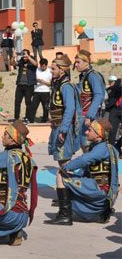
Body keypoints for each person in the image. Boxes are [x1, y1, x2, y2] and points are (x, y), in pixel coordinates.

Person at [44, 118, 118, 225]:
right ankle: (103, 211)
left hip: (99, 190)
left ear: (98, 135)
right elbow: (85, 170)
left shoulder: (101, 149)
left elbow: (84, 159)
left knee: (61, 176)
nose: (86, 132)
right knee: (71, 178)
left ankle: (64, 215)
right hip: (105, 193)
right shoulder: (109, 148)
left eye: (90, 130)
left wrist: (66, 167)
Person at [46, 54, 82, 207]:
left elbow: (70, 109)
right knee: (62, 164)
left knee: (65, 164)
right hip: (57, 127)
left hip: (62, 129)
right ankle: (65, 196)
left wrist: (63, 130)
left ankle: (68, 198)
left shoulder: (66, 86)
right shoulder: (58, 85)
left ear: (61, 70)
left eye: (53, 69)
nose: (51, 71)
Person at [75, 50, 106, 150]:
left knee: (88, 145)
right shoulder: (84, 76)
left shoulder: (93, 76)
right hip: (83, 115)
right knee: (84, 145)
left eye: (78, 62)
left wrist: (89, 116)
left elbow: (98, 95)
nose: (75, 65)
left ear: (86, 62)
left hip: (90, 117)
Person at [14, 50, 38, 122]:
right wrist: (13, 57)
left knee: (28, 103)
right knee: (17, 102)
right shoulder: (21, 61)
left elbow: (36, 64)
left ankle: (27, 117)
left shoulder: (32, 60)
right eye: (23, 54)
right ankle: (16, 117)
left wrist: (28, 57)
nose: (24, 56)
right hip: (20, 85)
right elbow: (12, 63)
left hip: (29, 85)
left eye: (25, 54)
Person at [28, 58, 52, 123]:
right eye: (41, 66)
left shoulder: (50, 71)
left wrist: (43, 82)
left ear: (46, 65)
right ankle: (30, 120)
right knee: (33, 107)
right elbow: (31, 79)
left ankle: (44, 120)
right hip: (36, 91)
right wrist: (37, 80)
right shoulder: (36, 70)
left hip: (46, 92)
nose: (42, 67)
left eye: (44, 66)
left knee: (46, 108)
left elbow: (51, 84)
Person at [105, 76, 121, 145]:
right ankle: (112, 148)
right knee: (112, 131)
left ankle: (117, 145)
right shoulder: (114, 88)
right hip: (114, 110)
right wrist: (118, 82)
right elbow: (115, 88)